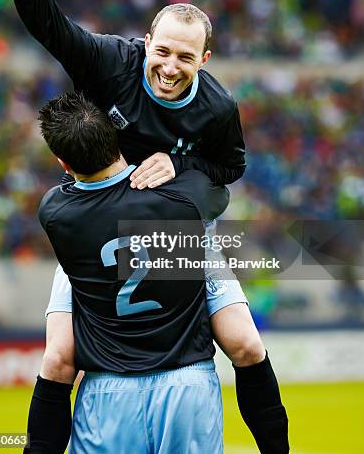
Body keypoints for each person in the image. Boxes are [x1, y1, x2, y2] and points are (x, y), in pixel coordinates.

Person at [0, 0, 289, 454]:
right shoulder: (112, 63)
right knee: (59, 360)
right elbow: (54, 31)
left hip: (176, 231)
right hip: (96, 227)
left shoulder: (218, 108)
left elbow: (230, 171)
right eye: (162, 50)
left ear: (204, 58)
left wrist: (179, 178)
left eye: (186, 57)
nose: (170, 66)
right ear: (145, 41)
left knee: (246, 345)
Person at [37, 91, 228, 453]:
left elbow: (77, 190)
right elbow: (221, 184)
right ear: (116, 136)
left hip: (107, 388)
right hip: (186, 379)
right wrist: (175, 163)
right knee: (245, 342)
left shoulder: (54, 212)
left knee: (55, 358)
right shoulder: (184, 198)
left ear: (62, 163)